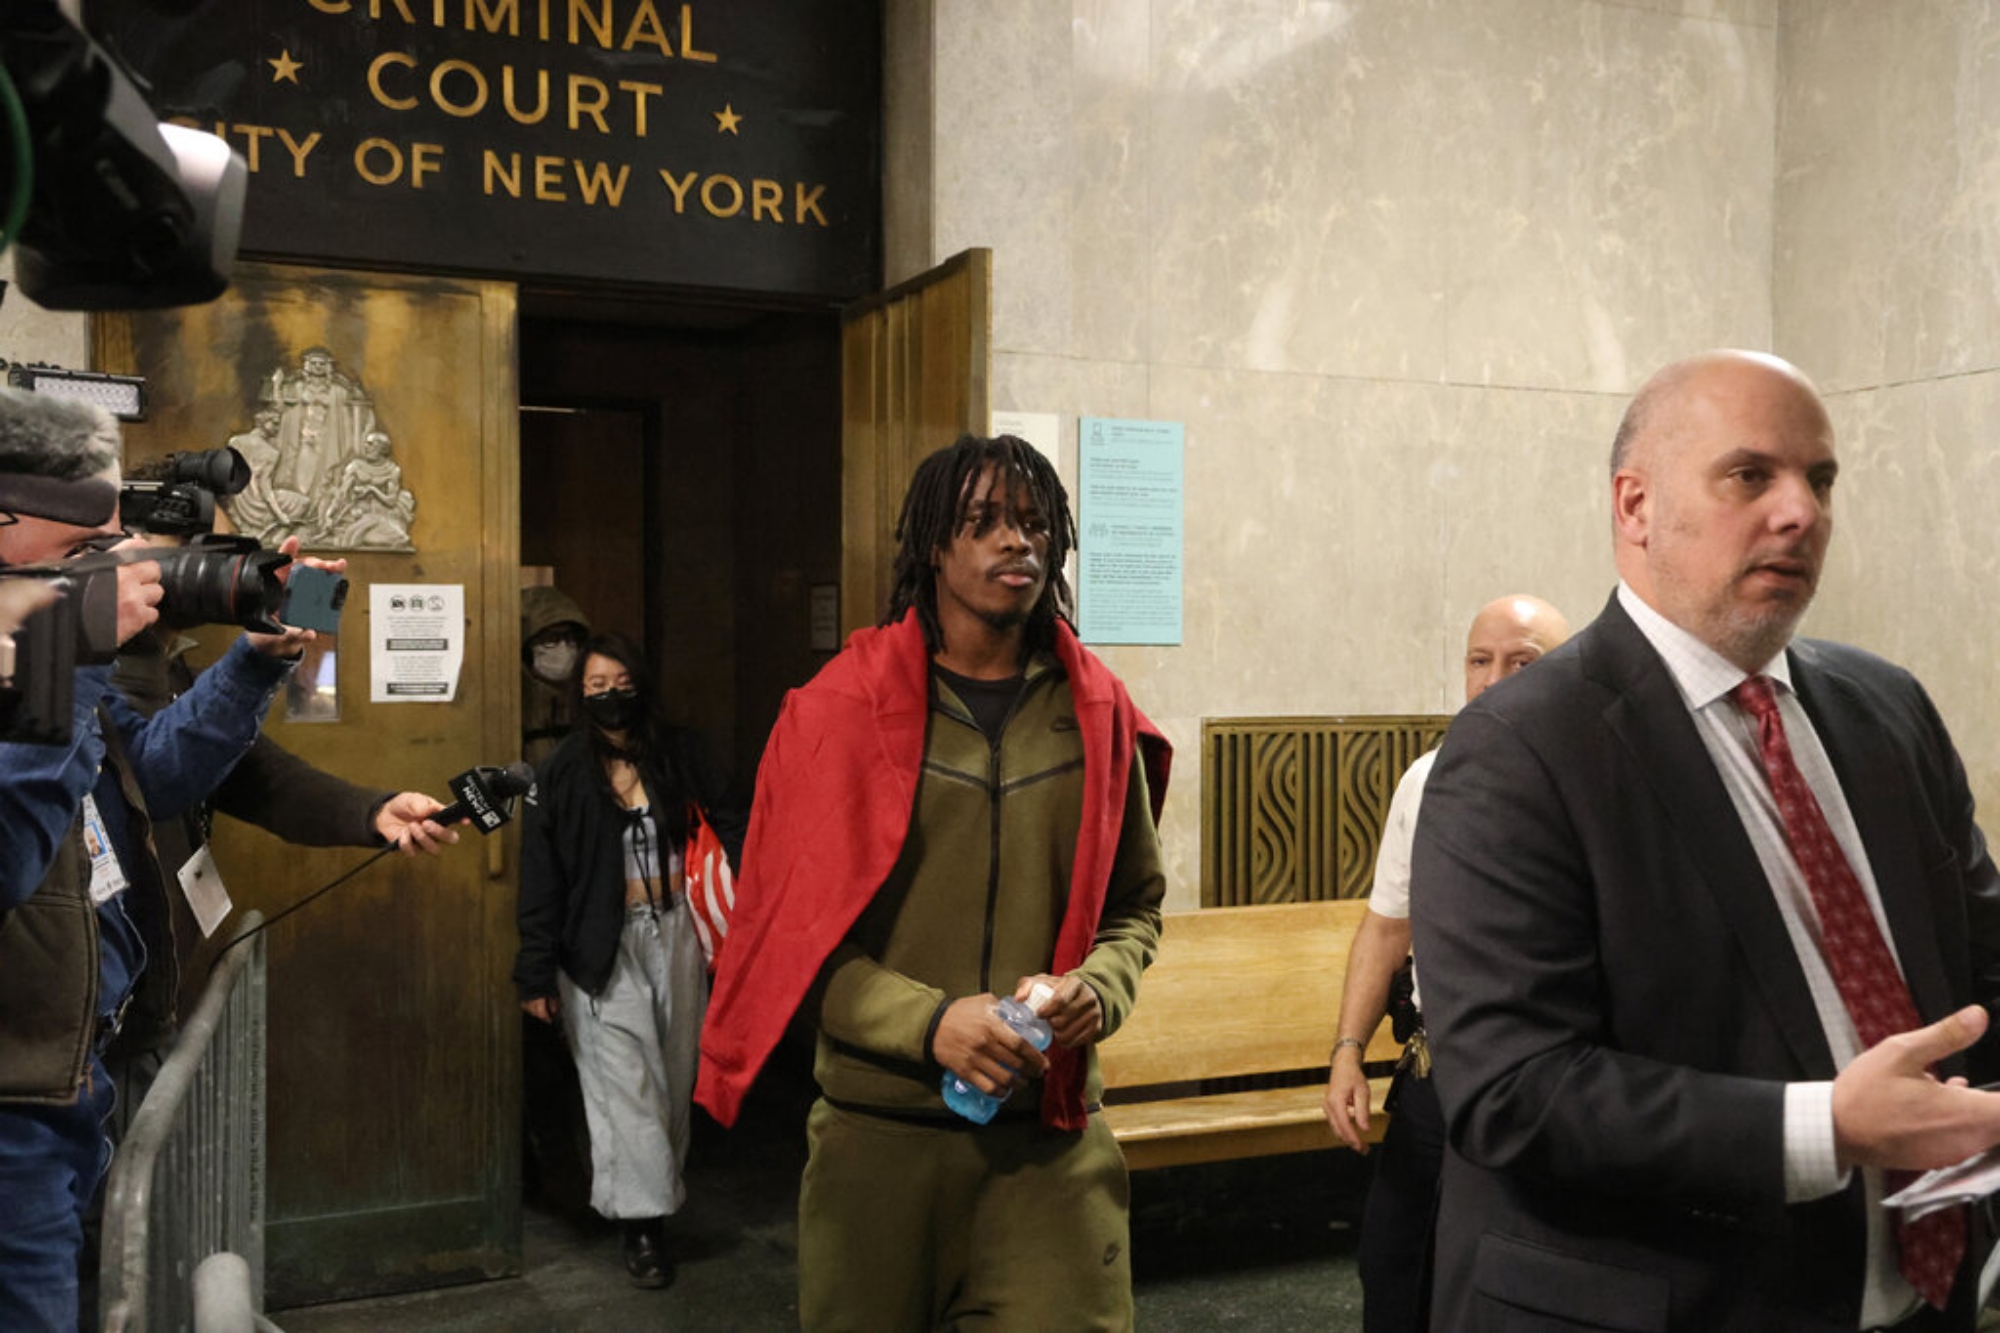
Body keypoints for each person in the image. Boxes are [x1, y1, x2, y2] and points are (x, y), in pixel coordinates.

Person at [1409, 349, 2000, 1330]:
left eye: (1819, 480)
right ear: (1634, 506)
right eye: (1748, 475)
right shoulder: (1517, 746)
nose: (1799, 512)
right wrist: (1825, 1126)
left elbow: (1981, 965)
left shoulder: (1885, 708)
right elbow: (1513, 1088)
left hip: (1924, 1299)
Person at [695, 433, 1171, 1331]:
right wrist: (930, 1023)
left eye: (1033, 523)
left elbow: (1134, 905)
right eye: (983, 520)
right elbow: (784, 940)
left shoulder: (1095, 709)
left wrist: (1097, 988)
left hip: (1049, 1147)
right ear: (933, 547)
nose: (1015, 541)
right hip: (880, 1141)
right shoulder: (835, 711)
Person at [0, 387, 319, 1330]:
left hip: (69, 1074)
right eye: (83, 551)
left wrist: (255, 659)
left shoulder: (41, 656)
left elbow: (154, 770)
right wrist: (69, 647)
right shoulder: (46, 655)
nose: (112, 569)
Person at [1321, 593, 1569, 1333]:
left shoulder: (1592, 783)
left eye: (1522, 662)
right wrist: (1347, 1051)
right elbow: (1385, 927)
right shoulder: (1427, 779)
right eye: (1479, 660)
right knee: (1394, 1266)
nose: (1493, 680)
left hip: (1543, 1083)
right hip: (1435, 1073)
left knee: (1511, 1286)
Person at [512, 632, 741, 1289]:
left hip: (677, 934)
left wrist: (753, 902)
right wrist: (535, 971)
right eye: (595, 686)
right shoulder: (562, 772)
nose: (610, 695)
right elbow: (542, 877)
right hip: (597, 948)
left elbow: (734, 820)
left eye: (620, 683)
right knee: (625, 1088)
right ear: (578, 694)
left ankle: (655, 1198)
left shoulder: (680, 751)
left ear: (640, 684)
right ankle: (643, 1228)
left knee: (672, 1077)